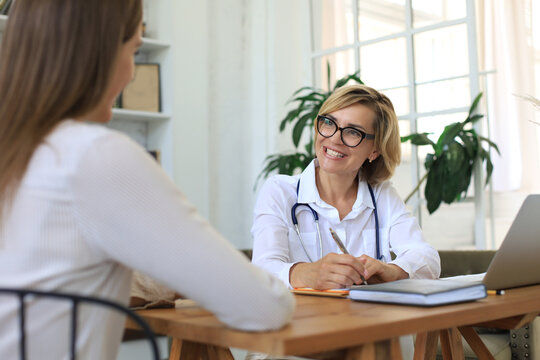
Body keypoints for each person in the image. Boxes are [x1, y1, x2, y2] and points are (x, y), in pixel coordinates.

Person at [0, 1, 294, 359]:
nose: (133, 73)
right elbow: (263, 306)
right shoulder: (93, 156)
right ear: (99, 54)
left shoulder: (18, 156)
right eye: (135, 50)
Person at [252, 84, 440, 291]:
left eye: (352, 132)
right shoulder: (280, 192)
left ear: (375, 150)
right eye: (329, 123)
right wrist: (305, 274)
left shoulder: (381, 195)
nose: (333, 138)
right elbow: (261, 270)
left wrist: (392, 271)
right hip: (303, 320)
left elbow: (427, 259)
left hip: (366, 320)